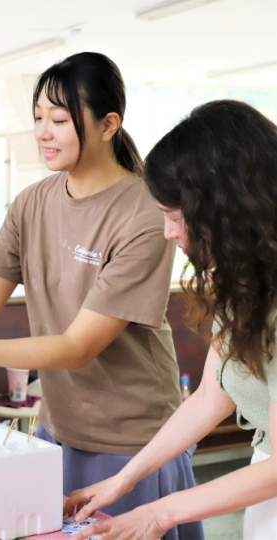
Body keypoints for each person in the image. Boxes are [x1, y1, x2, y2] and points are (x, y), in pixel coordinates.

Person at [0, 52, 201, 539]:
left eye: (60, 120)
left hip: (132, 439)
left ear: (108, 124)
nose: (43, 132)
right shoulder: (31, 203)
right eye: (38, 118)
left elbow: (77, 346)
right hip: (58, 430)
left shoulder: (144, 213)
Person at [66, 100, 277, 540]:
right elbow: (208, 398)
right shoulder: (246, 280)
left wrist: (159, 514)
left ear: (227, 210)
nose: (168, 233)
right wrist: (123, 480)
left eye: (175, 218)